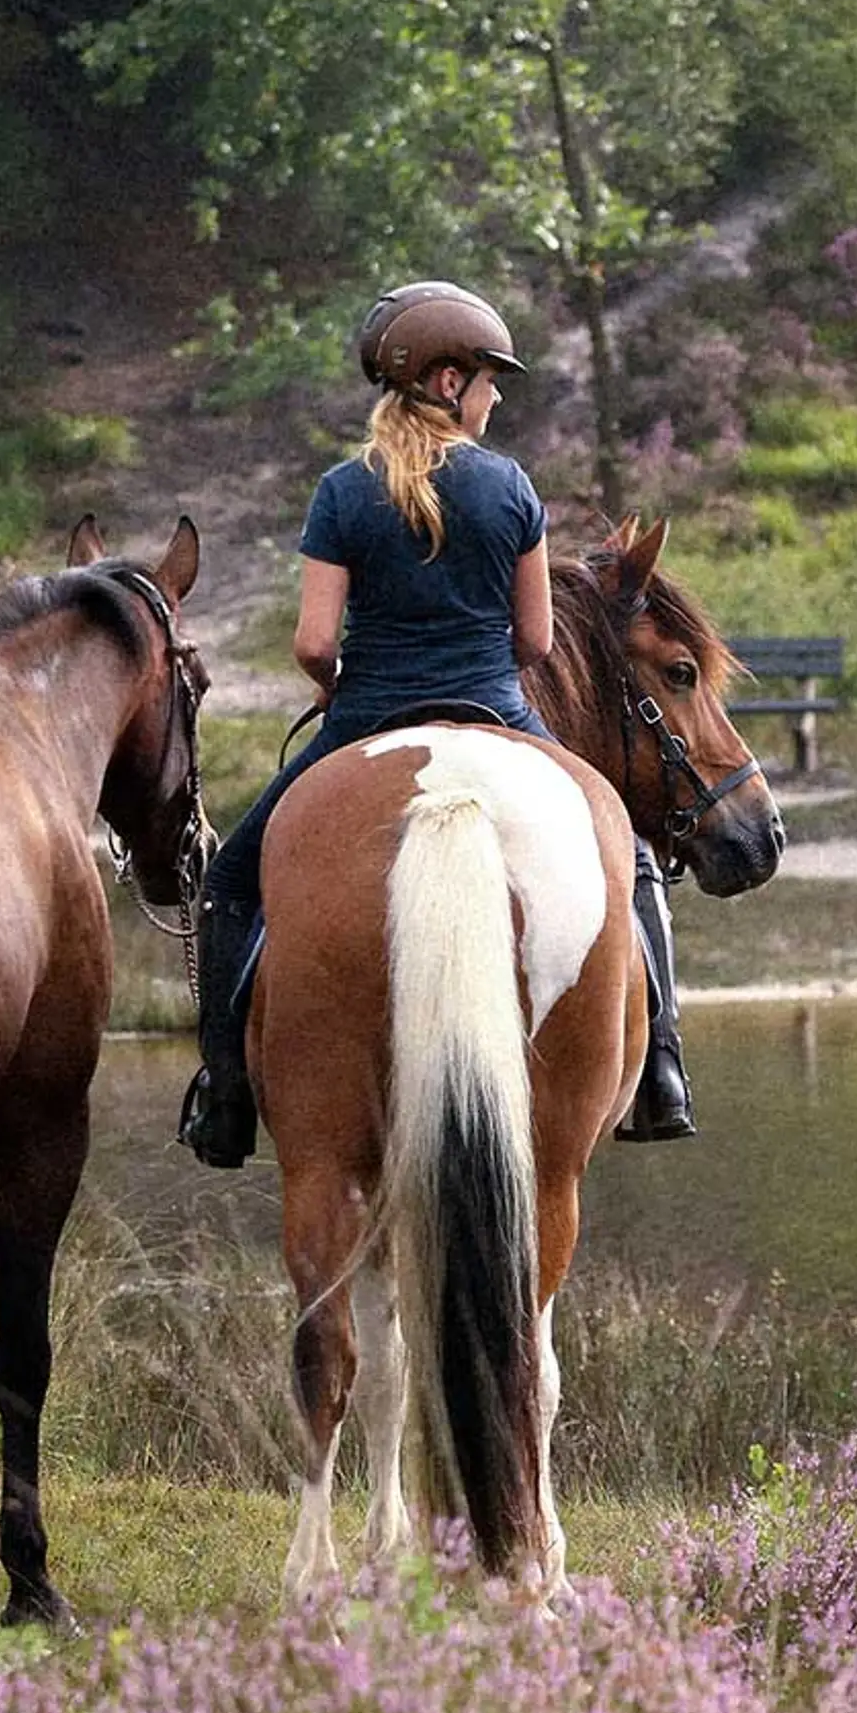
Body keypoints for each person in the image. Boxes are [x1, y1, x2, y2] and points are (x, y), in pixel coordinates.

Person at [177, 278, 696, 1169]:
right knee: (634, 866)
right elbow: (535, 639)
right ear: (448, 381)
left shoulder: (343, 492)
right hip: (497, 710)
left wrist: (344, 681)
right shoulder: (511, 490)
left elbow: (310, 642)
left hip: (367, 715)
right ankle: (663, 1077)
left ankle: (224, 1098)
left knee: (230, 878)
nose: (496, 395)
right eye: (491, 377)